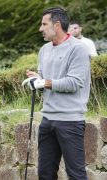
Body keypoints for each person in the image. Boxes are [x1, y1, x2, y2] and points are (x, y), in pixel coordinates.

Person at [22, 7, 90, 179]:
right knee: (45, 174)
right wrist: (37, 80)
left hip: (70, 121)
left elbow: (74, 82)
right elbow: (45, 79)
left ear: (57, 25)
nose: (40, 28)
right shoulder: (44, 50)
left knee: (76, 174)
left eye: (44, 24)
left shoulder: (78, 49)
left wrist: (44, 82)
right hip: (48, 120)